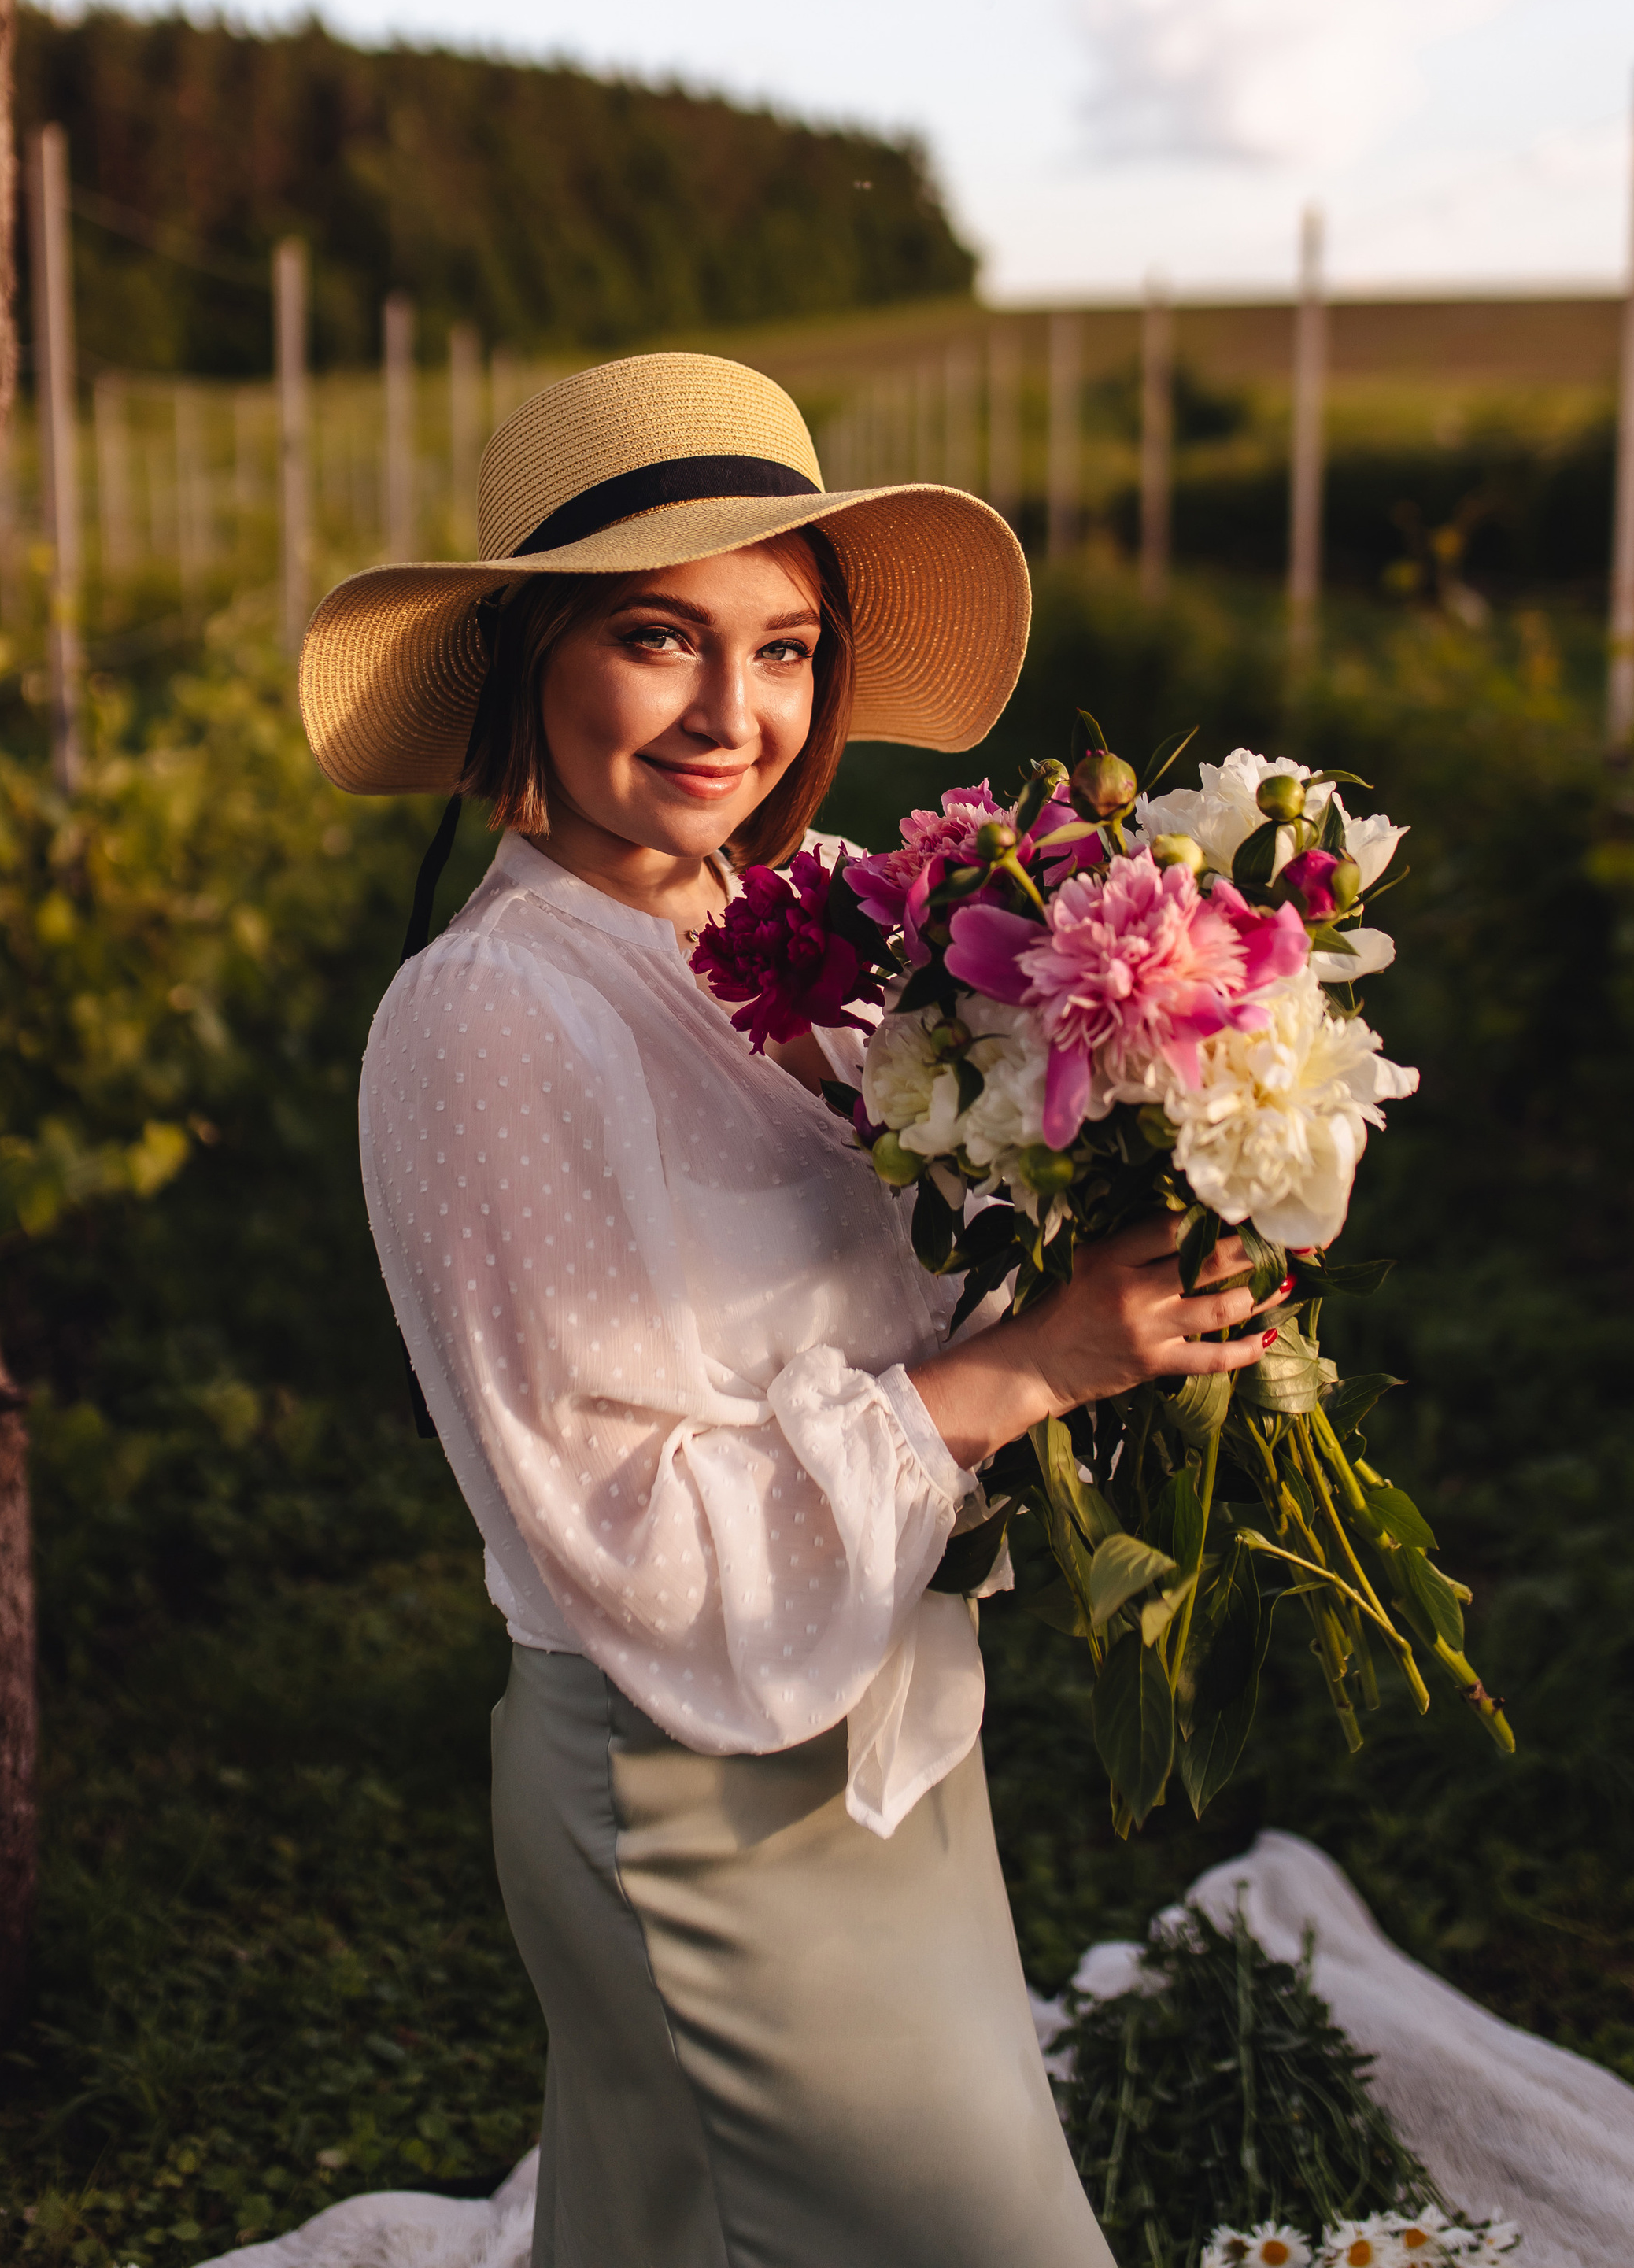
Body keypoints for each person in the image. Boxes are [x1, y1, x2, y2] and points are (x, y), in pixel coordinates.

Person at [298, 351, 1278, 2268]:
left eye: (785, 647)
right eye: (659, 639)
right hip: (692, 1787)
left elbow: (919, 1254)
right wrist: (1022, 1368)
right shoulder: (499, 1014)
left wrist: (1167, 1159)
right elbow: (620, 1531)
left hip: (872, 1725)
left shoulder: (803, 928)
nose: (732, 716)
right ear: (525, 657)